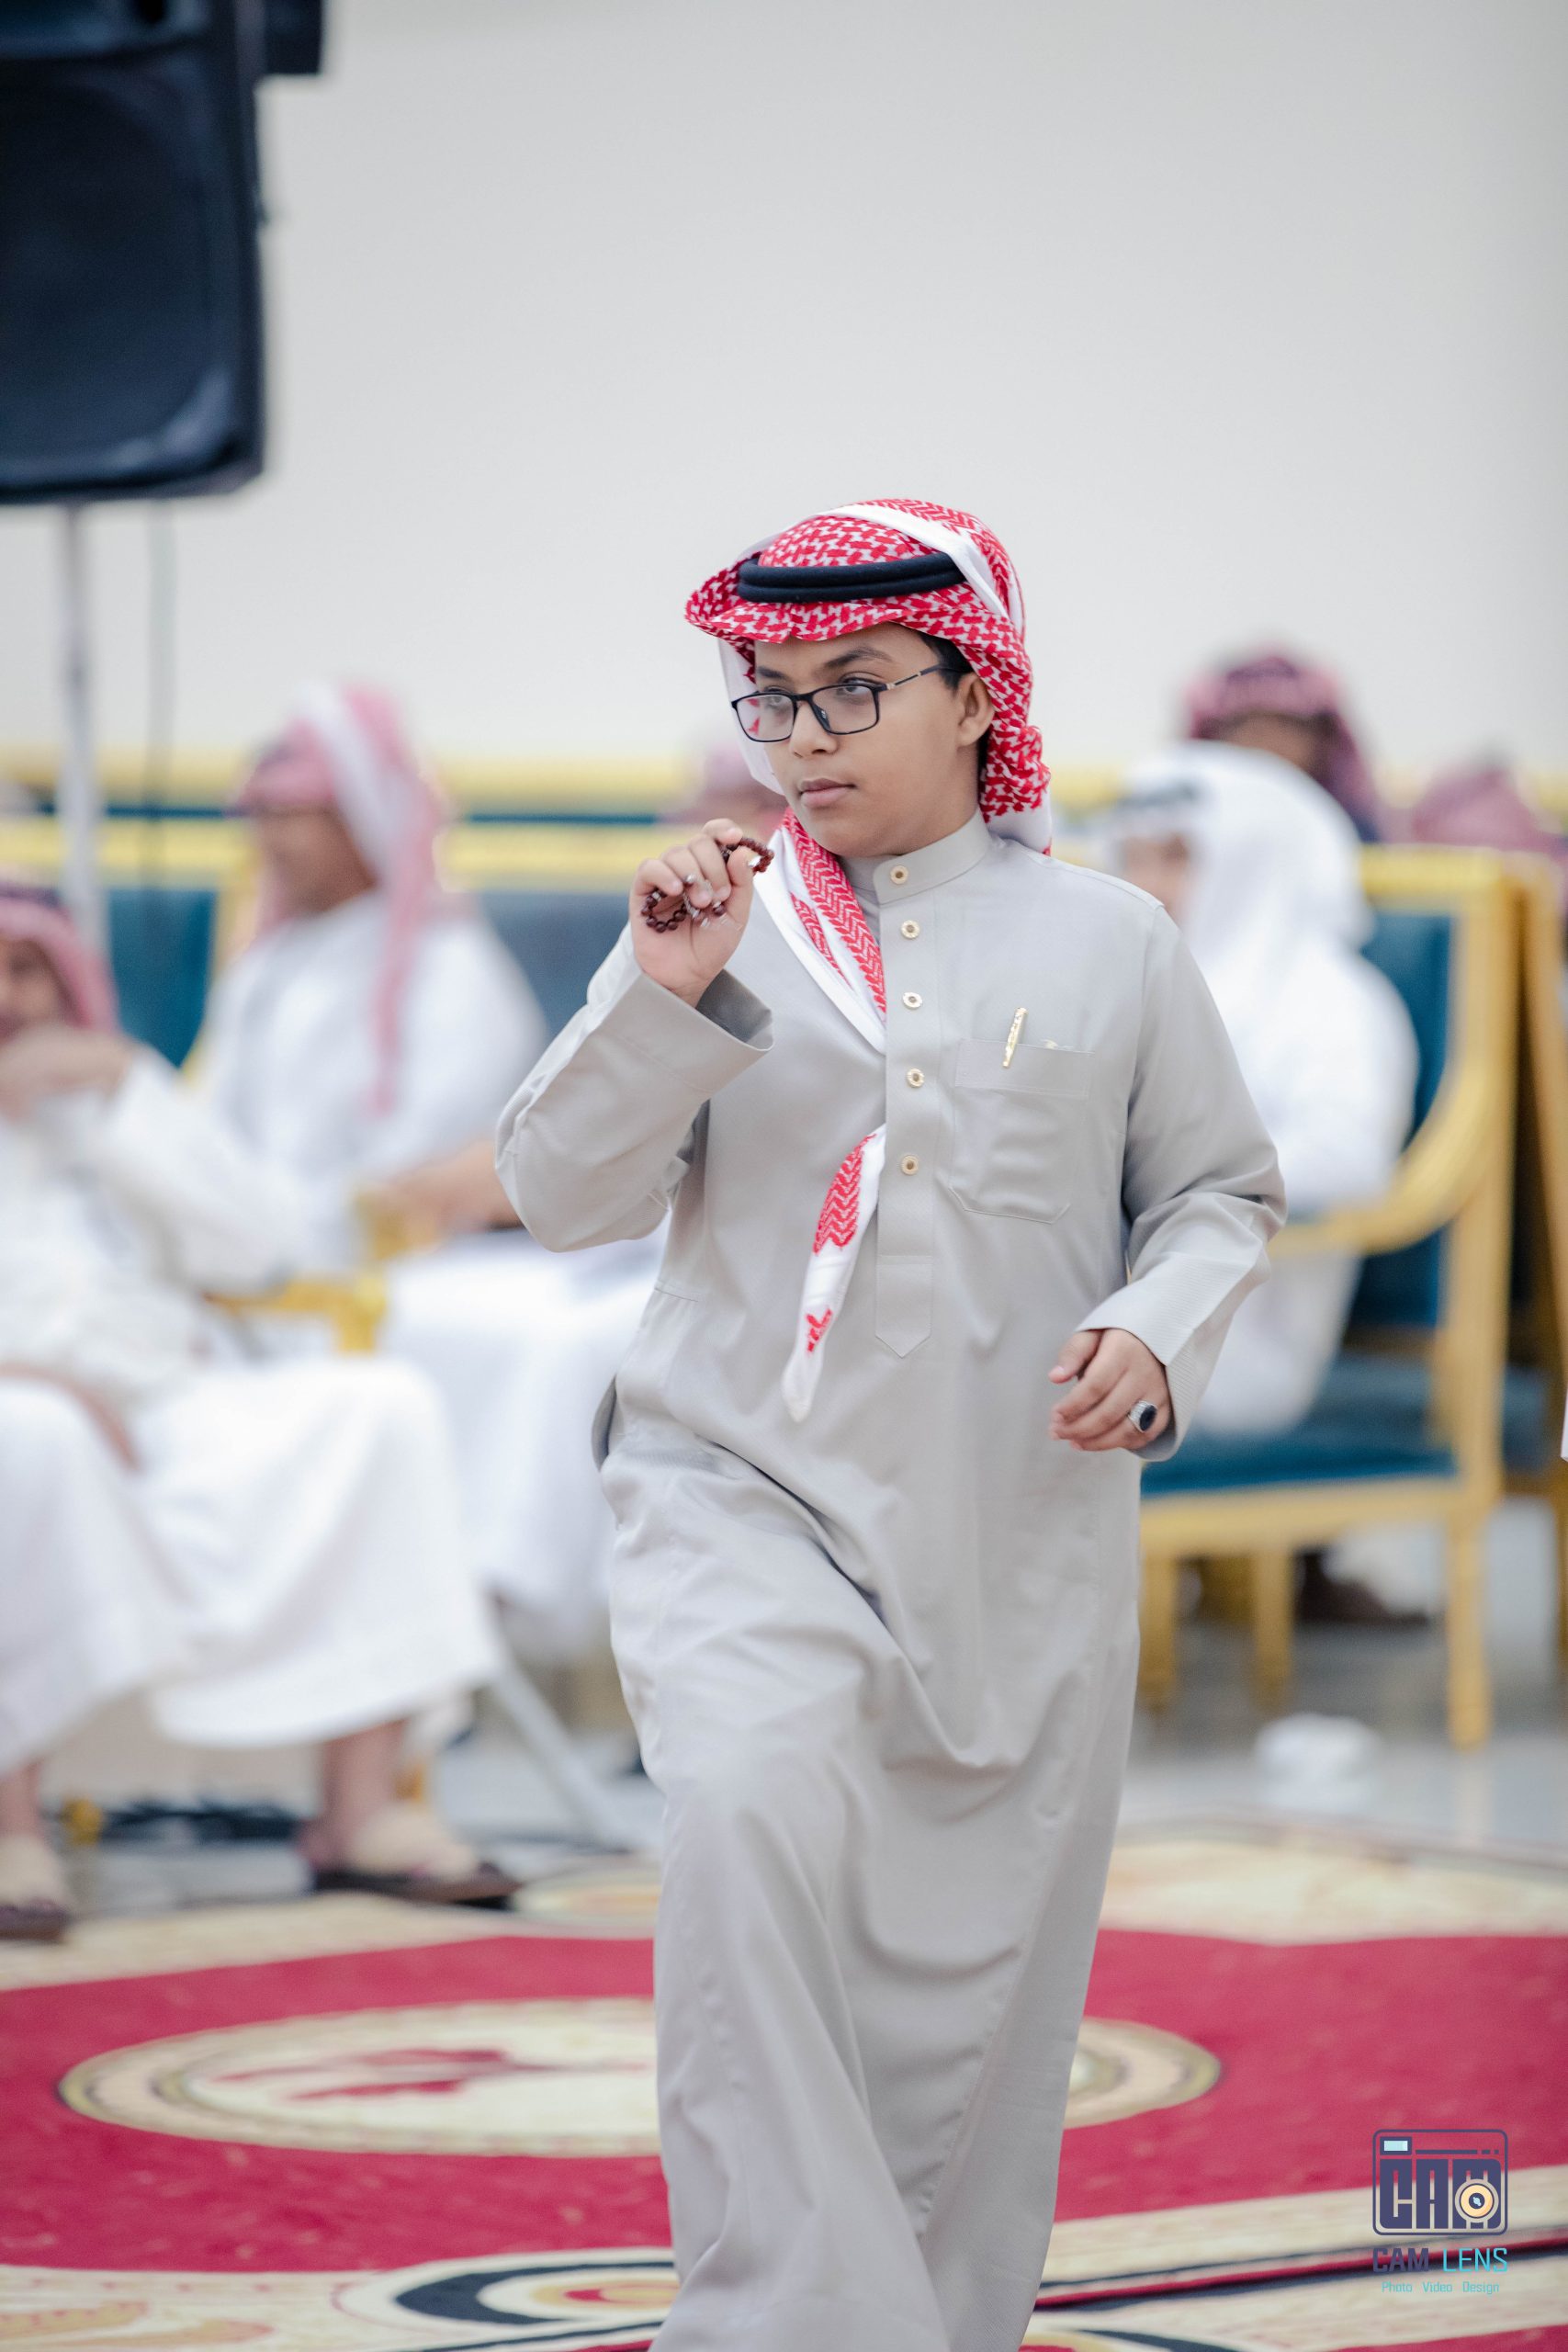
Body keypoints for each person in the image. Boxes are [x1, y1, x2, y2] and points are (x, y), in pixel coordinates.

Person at [495, 499, 1286, 2352]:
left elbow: (1217, 1196)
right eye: (770, 699)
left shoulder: (1111, 941)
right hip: (734, 1497)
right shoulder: (724, 920)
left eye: (852, 688)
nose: (804, 737)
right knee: (742, 1836)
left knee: (970, 1999)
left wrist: (1152, 1328)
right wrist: (666, 991)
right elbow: (558, 1193)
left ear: (974, 694)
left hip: (1013, 1540)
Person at [0, 881, 514, 1943]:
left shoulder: (109, 1099)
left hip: (168, 1406)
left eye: (25, 970)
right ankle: (11, 1828)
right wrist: (41, 1382)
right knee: (32, 1441)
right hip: (31, 1410)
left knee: (380, 1407)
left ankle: (359, 1811)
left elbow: (262, 1248)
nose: (8, 1000)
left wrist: (129, 1089)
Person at [1104, 741, 1428, 1626]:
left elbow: (1345, 1160)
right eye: (1134, 855)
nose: (1147, 882)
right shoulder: (1134, 983)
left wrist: (1158, 1181)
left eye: (1175, 856)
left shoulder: (1329, 1001)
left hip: (1241, 1340)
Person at [200, 681, 547, 1265]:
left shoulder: (451, 969)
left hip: (420, 1277)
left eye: (291, 816)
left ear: (357, 817)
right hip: (251, 1258)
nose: (268, 839)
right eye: (262, 815)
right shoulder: (263, 967)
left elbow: (416, 1177)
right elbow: (212, 1133)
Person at [1185, 645, 1388, 842]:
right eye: (1254, 729)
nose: (1269, 744)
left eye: (1285, 727)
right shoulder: (1186, 828)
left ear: (1323, 742)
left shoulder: (1346, 830)